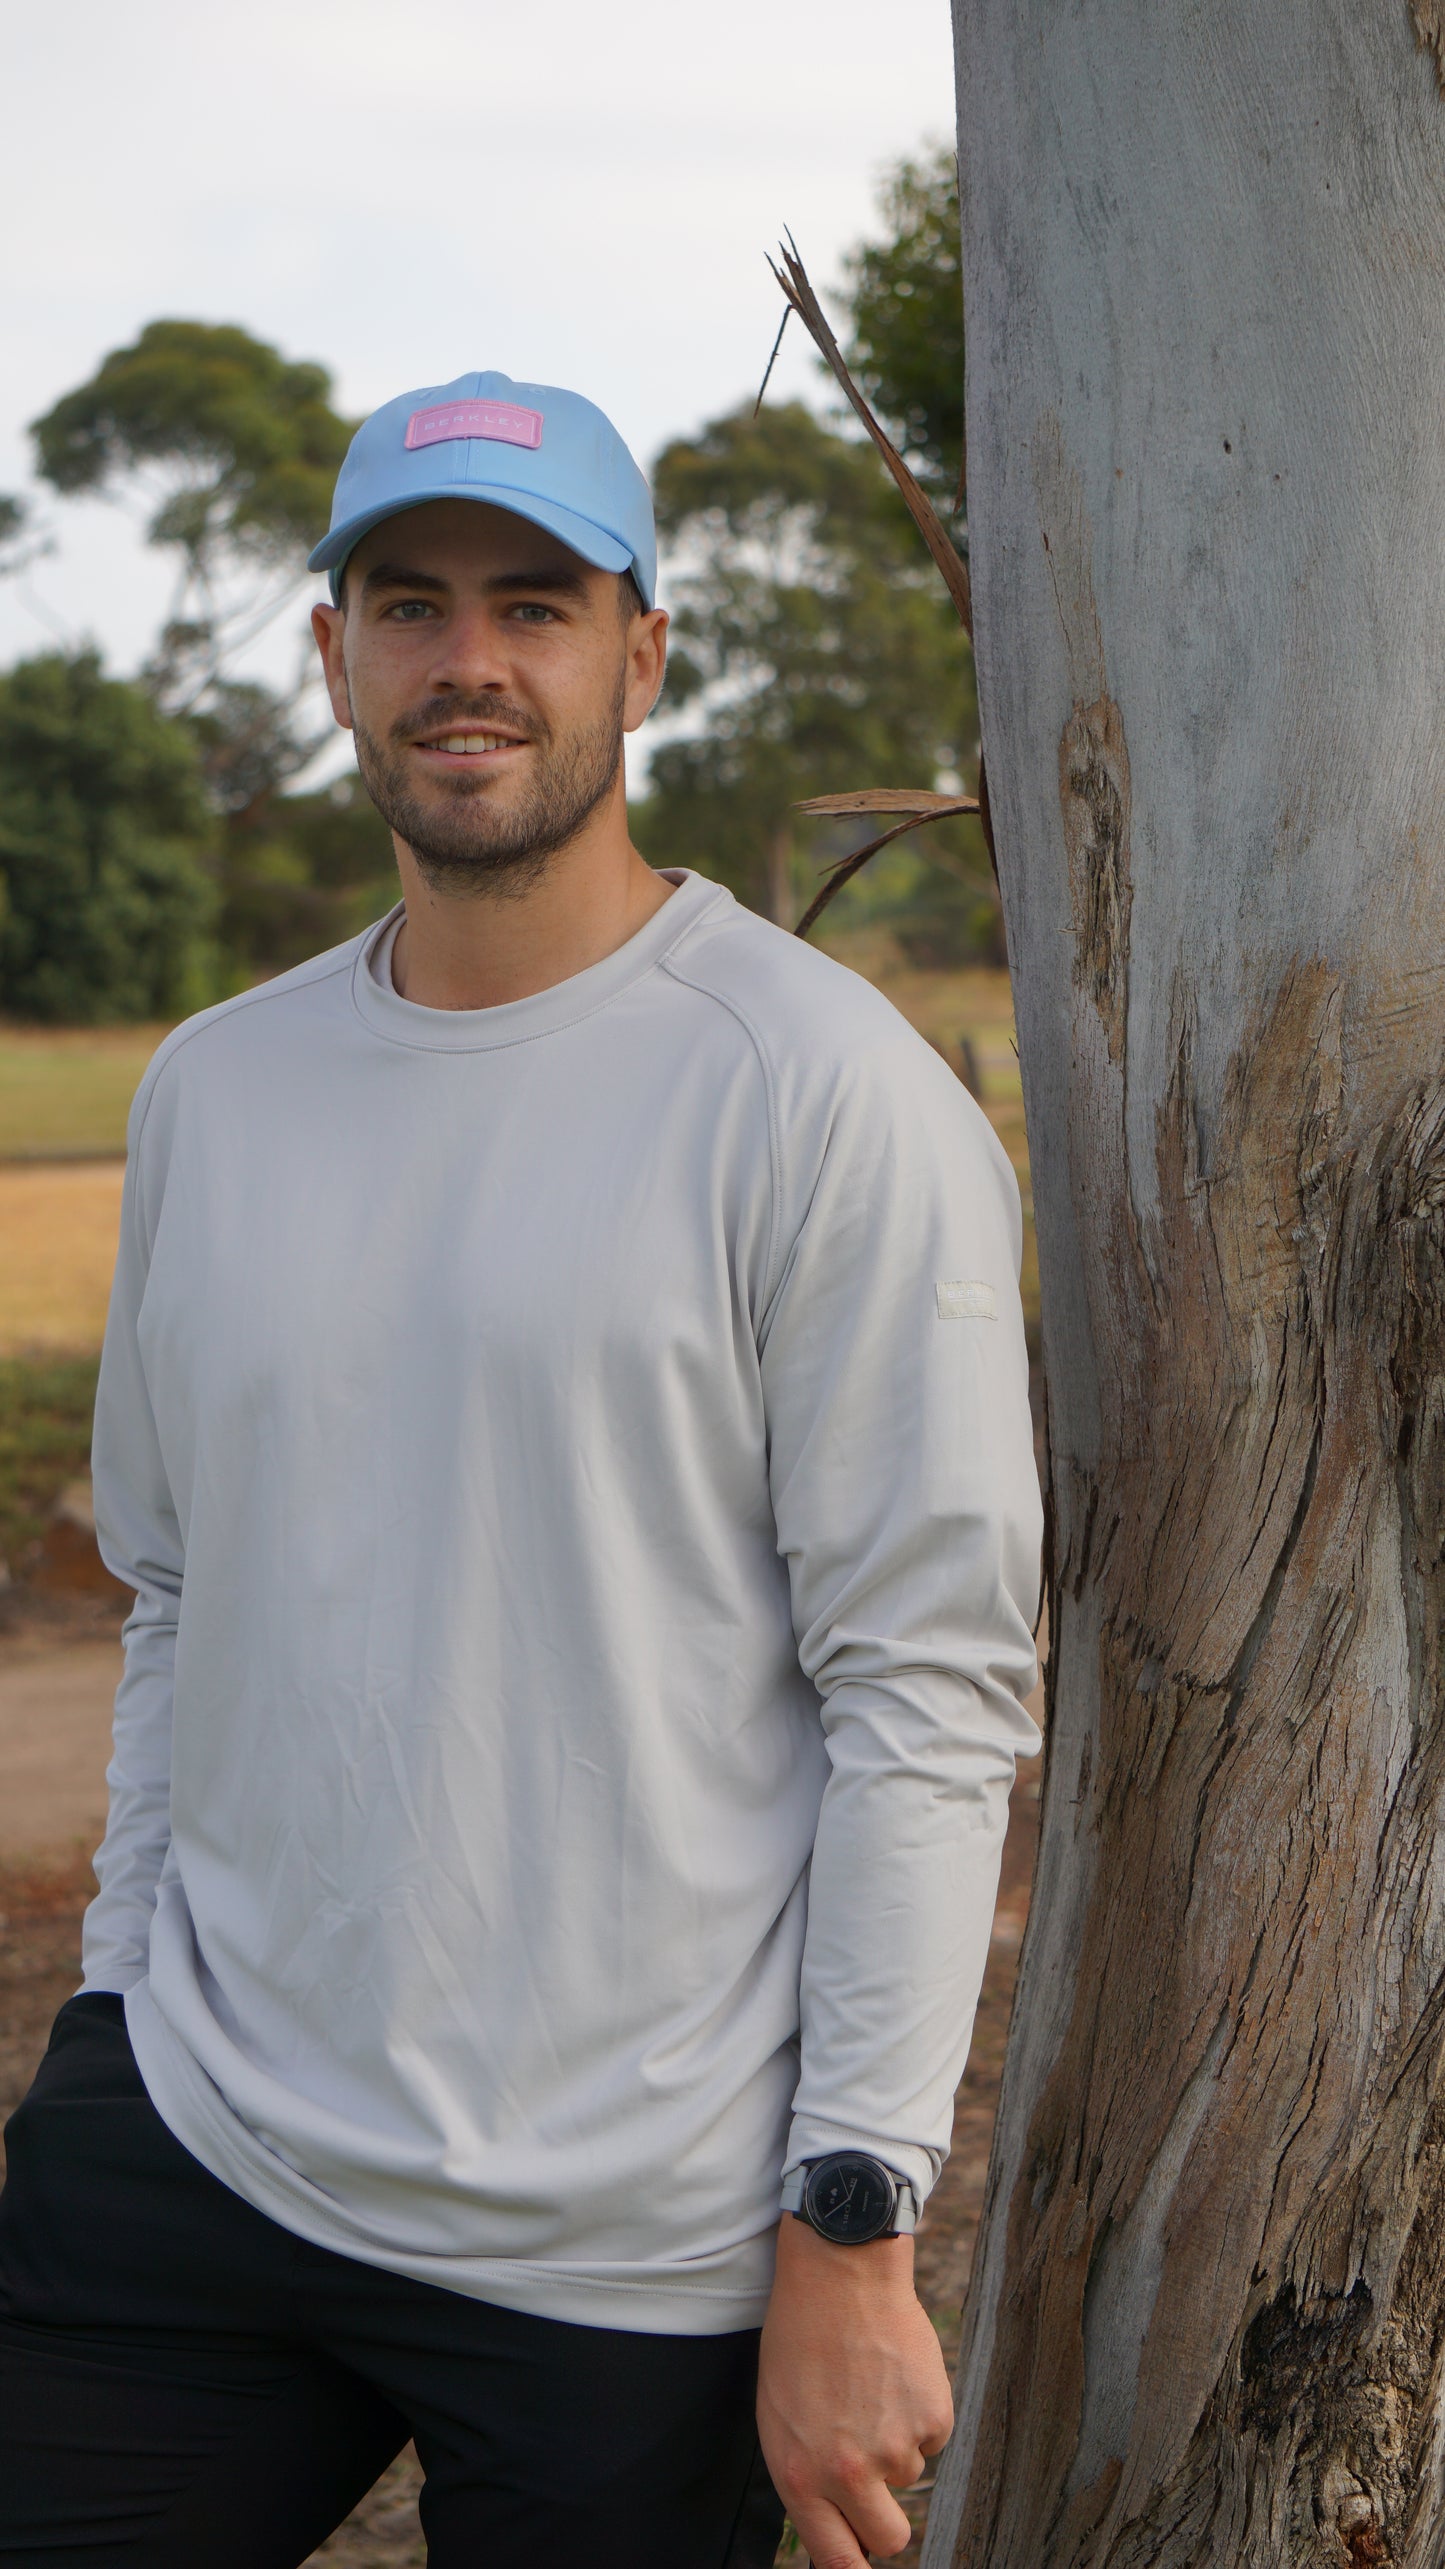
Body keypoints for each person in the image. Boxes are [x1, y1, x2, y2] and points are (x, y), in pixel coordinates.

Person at [0, 372, 1042, 2569]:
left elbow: (927, 1688)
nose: (468, 660)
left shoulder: (821, 1097)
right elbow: (176, 1589)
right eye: (410, 602)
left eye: (536, 604)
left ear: (640, 652)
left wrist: (851, 2221)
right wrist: (113, 1996)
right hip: (193, 2147)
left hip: (628, 2253)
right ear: (337, 655)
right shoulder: (219, 1087)